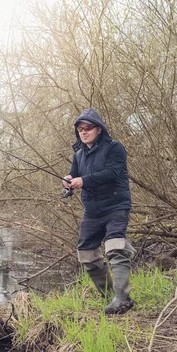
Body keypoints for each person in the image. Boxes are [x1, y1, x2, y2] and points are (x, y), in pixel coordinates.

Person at [62, 108, 136, 315]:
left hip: (116, 205)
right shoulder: (78, 155)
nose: (83, 132)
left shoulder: (115, 148)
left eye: (87, 128)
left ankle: (122, 299)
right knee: (86, 255)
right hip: (92, 211)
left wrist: (83, 181)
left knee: (114, 246)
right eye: (80, 129)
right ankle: (110, 296)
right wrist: (68, 184)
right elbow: (74, 176)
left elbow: (112, 173)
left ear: (99, 129)